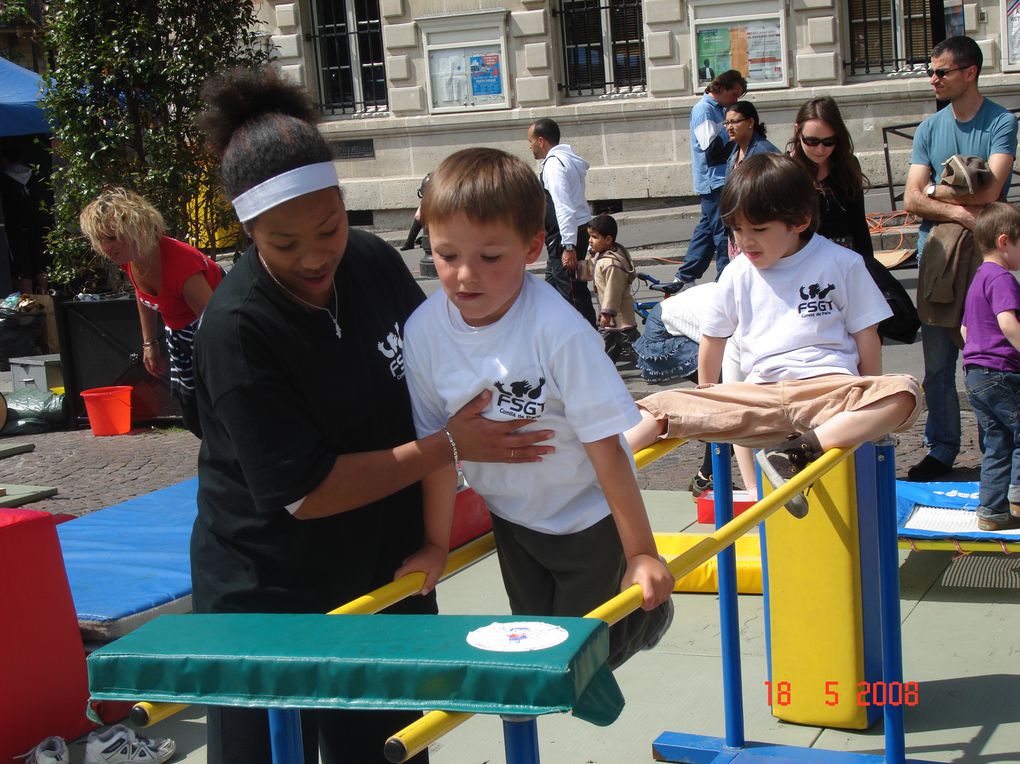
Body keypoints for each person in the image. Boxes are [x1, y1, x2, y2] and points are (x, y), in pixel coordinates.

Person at [191, 67, 553, 764]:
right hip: (270, 590)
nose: (314, 256)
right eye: (283, 244)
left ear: (341, 203)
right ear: (250, 234)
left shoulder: (370, 261)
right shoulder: (238, 330)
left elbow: (441, 367)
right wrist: (450, 446)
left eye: (326, 228)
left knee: (387, 752)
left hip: (380, 568)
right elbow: (307, 491)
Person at [402, 147, 674, 669]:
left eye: (489, 257)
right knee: (539, 641)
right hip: (510, 518)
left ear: (531, 249)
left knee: (581, 654)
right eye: (447, 255)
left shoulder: (558, 331)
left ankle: (647, 620)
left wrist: (640, 551)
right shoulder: (424, 331)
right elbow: (439, 448)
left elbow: (606, 448)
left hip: (585, 517)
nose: (464, 275)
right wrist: (436, 544)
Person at [626, 154, 920, 515]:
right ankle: (600, 468)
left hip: (825, 390)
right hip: (760, 394)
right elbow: (713, 338)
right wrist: (707, 396)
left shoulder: (841, 263)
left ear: (799, 221)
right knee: (659, 406)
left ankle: (798, 452)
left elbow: (867, 336)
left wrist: (865, 395)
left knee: (904, 392)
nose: (745, 242)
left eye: (758, 230)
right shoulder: (737, 273)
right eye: (737, 230)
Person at [902, 35, 1018, 482]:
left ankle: (997, 453)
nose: (933, 79)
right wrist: (954, 207)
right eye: (931, 71)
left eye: (940, 72)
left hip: (985, 260)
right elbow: (913, 198)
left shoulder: (1001, 122)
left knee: (988, 359)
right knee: (936, 366)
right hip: (937, 256)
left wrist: (934, 188)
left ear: (969, 72)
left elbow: (990, 190)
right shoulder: (930, 128)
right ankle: (942, 447)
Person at [79, 187, 224, 437]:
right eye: (101, 239)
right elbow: (143, 295)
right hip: (180, 331)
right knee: (192, 415)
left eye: (112, 237)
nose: (106, 247)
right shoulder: (131, 258)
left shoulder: (180, 264)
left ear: (136, 232)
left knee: (215, 410)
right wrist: (149, 342)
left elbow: (217, 324)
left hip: (210, 330)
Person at [631, 282, 757, 498]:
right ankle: (709, 477)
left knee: (727, 407)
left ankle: (706, 476)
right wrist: (754, 489)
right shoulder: (741, 325)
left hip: (700, 325)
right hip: (666, 330)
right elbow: (735, 406)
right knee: (722, 407)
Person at [960, 202, 1020, 531]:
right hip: (1001, 372)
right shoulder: (1002, 279)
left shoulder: (978, 278)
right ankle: (1018, 496)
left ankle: (991, 512)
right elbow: (1008, 323)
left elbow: (965, 330)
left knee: (998, 442)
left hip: (975, 374)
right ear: (1004, 241)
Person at [673, 70, 747, 287]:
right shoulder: (704, 110)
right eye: (734, 94)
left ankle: (685, 275)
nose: (736, 101)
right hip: (714, 181)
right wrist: (734, 133)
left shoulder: (721, 110)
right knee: (723, 232)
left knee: (706, 230)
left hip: (719, 180)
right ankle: (724, 281)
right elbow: (712, 151)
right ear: (721, 89)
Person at [527, 117, 598, 326]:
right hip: (572, 231)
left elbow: (563, 205)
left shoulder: (554, 166)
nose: (530, 146)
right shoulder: (566, 159)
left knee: (572, 293)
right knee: (551, 290)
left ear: (541, 141)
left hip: (564, 235)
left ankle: (589, 340)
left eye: (530, 141)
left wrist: (569, 246)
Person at [788, 96, 873, 259]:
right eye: (811, 141)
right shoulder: (785, 169)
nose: (820, 149)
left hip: (845, 259)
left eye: (829, 141)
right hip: (804, 260)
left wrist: (867, 266)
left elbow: (859, 225)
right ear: (798, 131)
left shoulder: (847, 164)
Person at [578, 212, 638, 361]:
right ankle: (602, 370)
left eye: (595, 237)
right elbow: (587, 275)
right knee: (607, 349)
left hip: (618, 317)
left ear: (608, 239)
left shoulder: (611, 264)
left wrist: (607, 313)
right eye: (590, 237)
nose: (590, 241)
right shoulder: (602, 255)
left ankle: (654, 367)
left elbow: (613, 291)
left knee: (635, 348)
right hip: (612, 320)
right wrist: (586, 258)